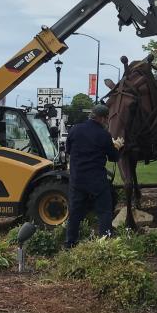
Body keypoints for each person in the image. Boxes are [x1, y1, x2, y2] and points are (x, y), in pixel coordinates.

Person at [64, 104, 122, 248]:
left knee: (75, 212)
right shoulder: (104, 135)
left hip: (77, 178)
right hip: (96, 179)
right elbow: (113, 158)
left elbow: (69, 150)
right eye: (106, 118)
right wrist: (117, 147)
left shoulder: (75, 129)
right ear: (102, 118)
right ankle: (104, 242)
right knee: (104, 210)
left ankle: (70, 243)